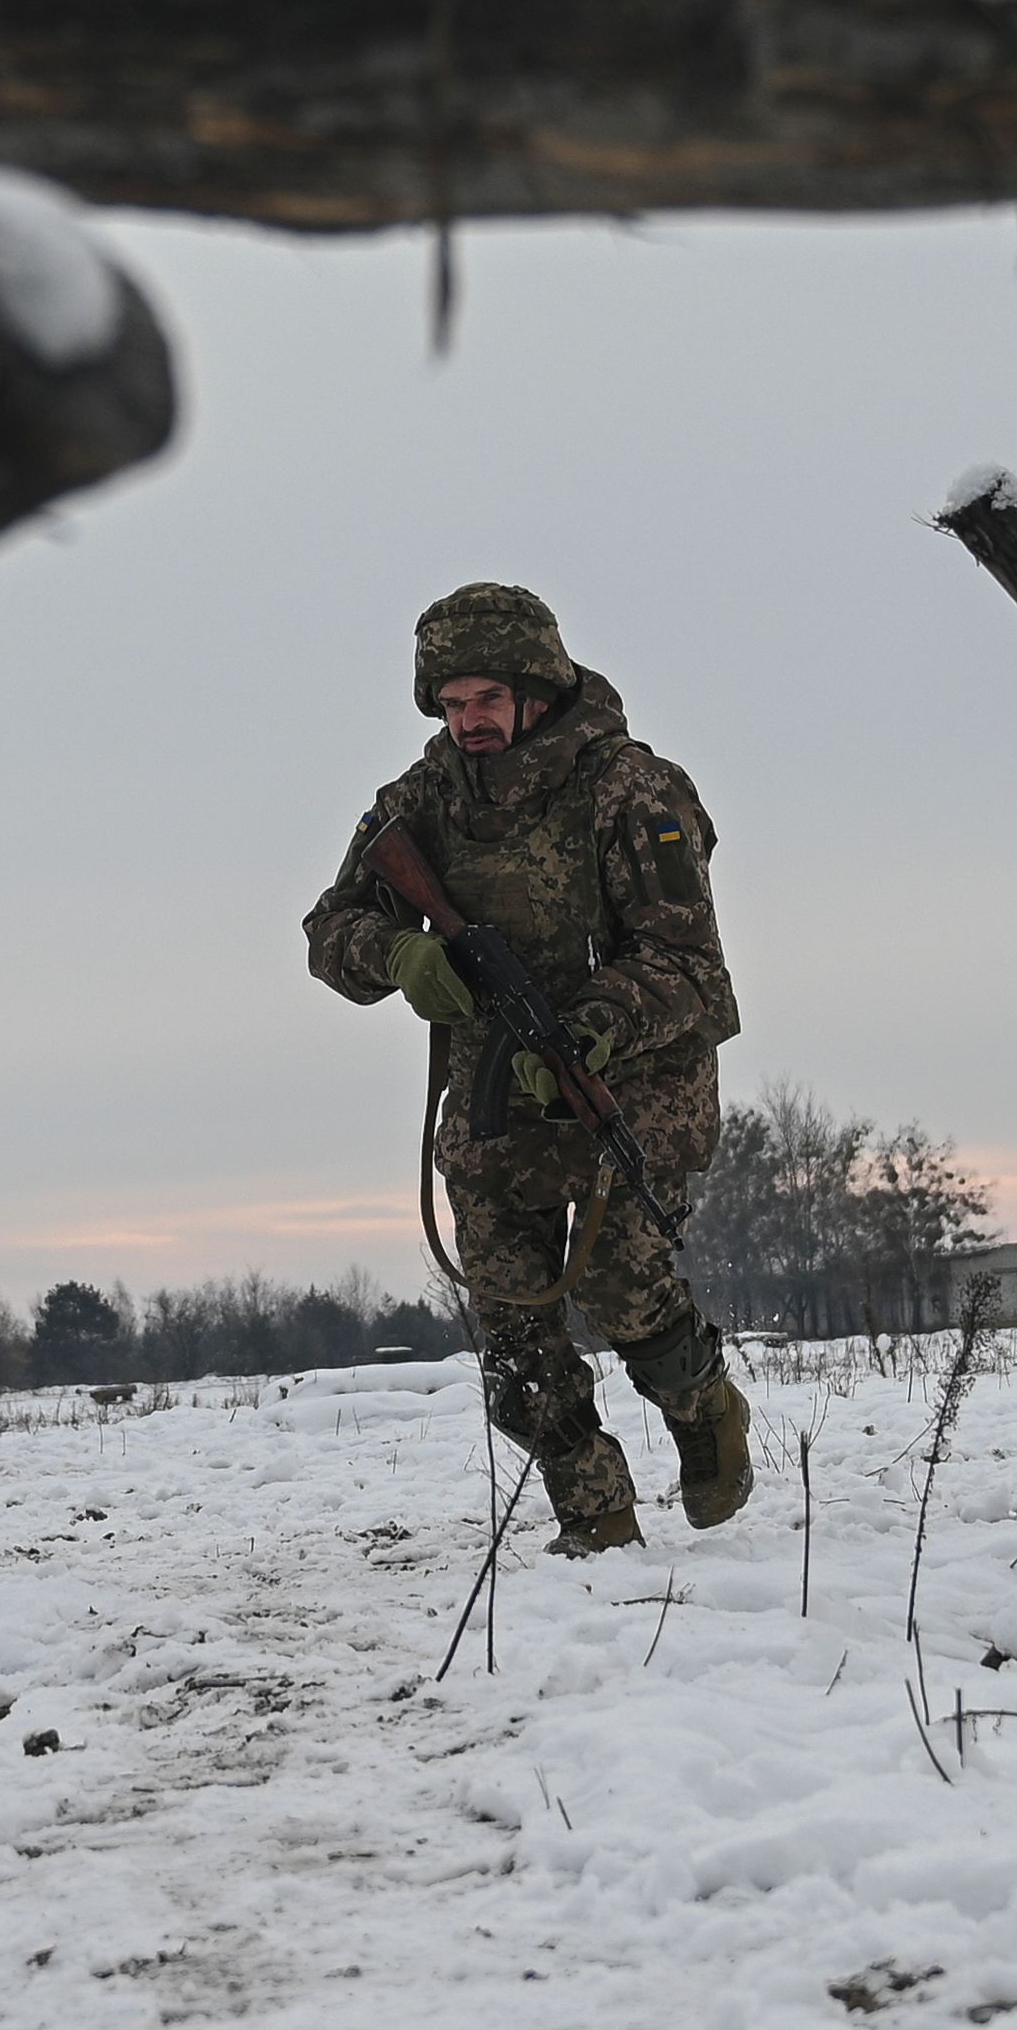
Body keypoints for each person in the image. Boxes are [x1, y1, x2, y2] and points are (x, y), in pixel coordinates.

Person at [303, 581, 751, 1555]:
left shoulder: (634, 789)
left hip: (629, 1086)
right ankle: (595, 1516)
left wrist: (592, 1028)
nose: (469, 721)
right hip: (495, 1094)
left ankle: (702, 1407)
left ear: (536, 688)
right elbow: (329, 928)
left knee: (625, 1294)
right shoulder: (417, 802)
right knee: (510, 1328)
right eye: (452, 702)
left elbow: (690, 966)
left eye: (487, 700)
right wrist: (402, 956)